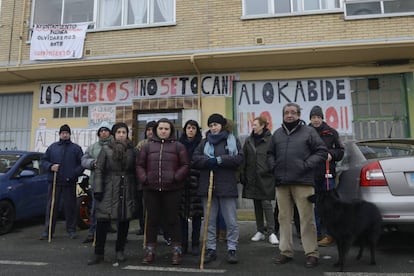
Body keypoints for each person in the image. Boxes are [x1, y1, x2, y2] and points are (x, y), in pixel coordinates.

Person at [267, 103, 327, 268]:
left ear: (299, 115)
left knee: (307, 219)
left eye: (293, 112)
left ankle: (312, 253)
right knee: (284, 218)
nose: (290, 115)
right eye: (287, 112)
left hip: (303, 182)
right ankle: (285, 252)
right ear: (283, 115)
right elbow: (270, 153)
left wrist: (306, 165)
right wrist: (274, 167)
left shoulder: (309, 132)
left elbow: (321, 151)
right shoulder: (277, 134)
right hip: (282, 182)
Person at [136, 118, 189, 265]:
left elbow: (185, 165)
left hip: (172, 190)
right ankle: (149, 252)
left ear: (171, 130)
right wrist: (144, 179)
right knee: (152, 221)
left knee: (173, 220)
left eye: (166, 129)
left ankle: (177, 252)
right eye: (161, 128)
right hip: (151, 190)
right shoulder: (147, 147)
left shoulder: (178, 146)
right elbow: (139, 165)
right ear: (156, 130)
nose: (163, 131)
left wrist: (175, 177)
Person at [192, 113, 243, 264]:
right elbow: (195, 159)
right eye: (211, 125)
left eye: (216, 125)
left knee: (231, 220)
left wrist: (220, 160)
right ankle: (210, 249)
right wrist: (207, 162)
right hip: (207, 186)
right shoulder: (203, 142)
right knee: (209, 221)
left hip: (227, 185)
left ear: (222, 125)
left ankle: (232, 249)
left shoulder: (232, 141)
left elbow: (239, 158)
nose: (213, 128)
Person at [87, 122, 137, 265]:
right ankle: (98, 253)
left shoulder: (132, 150)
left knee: (124, 221)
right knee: (102, 221)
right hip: (109, 188)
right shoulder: (106, 149)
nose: (121, 135)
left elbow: (135, 170)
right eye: (119, 132)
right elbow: (99, 170)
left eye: (124, 132)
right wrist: (98, 189)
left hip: (126, 188)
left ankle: (120, 250)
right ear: (114, 135)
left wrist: (137, 189)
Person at [40, 124, 84, 240]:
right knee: (52, 207)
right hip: (54, 182)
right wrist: (50, 166)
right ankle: (48, 231)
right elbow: (43, 161)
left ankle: (71, 230)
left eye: (67, 133)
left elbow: (82, 165)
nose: (65, 135)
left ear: (70, 134)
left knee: (70, 207)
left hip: (69, 182)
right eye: (63, 133)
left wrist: (73, 174)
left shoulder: (76, 148)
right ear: (59, 134)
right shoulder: (52, 147)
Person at [309, 105, 344, 246]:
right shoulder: (306, 132)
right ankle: (317, 234)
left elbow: (340, 151)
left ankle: (330, 234)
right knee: (315, 206)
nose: (316, 120)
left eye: (318, 117)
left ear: (322, 118)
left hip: (328, 175)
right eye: (313, 117)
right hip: (312, 175)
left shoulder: (331, 133)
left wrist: (332, 154)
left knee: (329, 206)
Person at [241, 116, 279, 245]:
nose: (253, 126)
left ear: (262, 125)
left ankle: (272, 232)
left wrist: (271, 170)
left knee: (266, 204)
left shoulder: (270, 139)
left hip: (266, 177)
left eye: (255, 124)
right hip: (252, 177)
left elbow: (275, 156)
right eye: (253, 124)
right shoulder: (248, 140)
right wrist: (243, 175)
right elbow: (244, 159)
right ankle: (260, 231)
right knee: (256, 203)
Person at [81, 121, 113, 243]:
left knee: (113, 210)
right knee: (95, 209)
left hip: (111, 183)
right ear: (98, 133)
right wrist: (92, 163)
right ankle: (92, 233)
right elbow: (84, 160)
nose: (103, 133)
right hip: (96, 183)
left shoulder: (115, 145)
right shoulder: (93, 147)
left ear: (110, 133)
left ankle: (111, 229)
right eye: (101, 131)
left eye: (106, 130)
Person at [178, 119, 203, 256]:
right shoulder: (179, 144)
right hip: (182, 184)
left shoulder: (201, 144)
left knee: (197, 216)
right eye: (188, 128)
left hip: (197, 183)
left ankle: (195, 244)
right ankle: (183, 244)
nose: (191, 130)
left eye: (193, 128)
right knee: (181, 215)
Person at [135, 120, 157, 236]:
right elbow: (137, 163)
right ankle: (143, 227)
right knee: (142, 206)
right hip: (142, 180)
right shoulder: (141, 145)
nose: (150, 132)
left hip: (156, 180)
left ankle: (158, 227)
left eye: (152, 129)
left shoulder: (161, 143)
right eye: (148, 130)